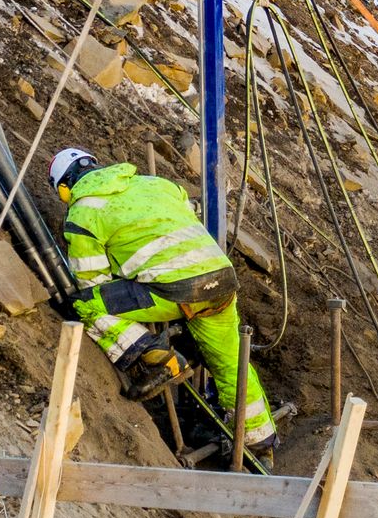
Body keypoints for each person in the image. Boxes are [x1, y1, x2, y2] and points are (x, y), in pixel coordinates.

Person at [49, 148, 275, 451]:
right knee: (230, 361)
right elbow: (183, 208)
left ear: (65, 189)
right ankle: (261, 441)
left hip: (175, 290)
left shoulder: (83, 212)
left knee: (84, 303)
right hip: (220, 278)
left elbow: (92, 282)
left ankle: (158, 358)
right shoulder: (154, 183)